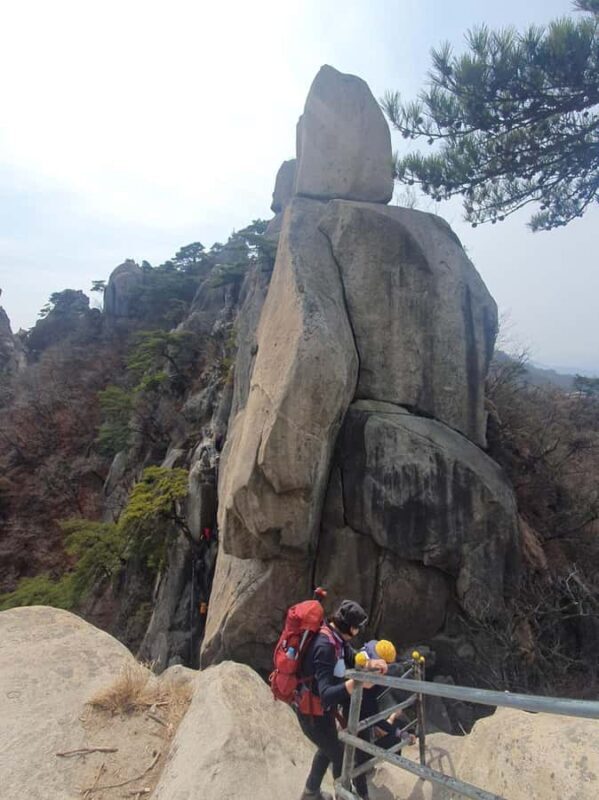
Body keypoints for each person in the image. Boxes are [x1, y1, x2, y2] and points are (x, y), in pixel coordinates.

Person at [296, 600, 388, 800]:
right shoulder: (325, 647)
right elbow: (327, 694)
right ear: (352, 628)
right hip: (311, 714)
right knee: (340, 756)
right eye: (358, 628)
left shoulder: (336, 638)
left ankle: (310, 793)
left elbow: (351, 656)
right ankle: (343, 795)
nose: (358, 632)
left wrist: (372, 663)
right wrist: (357, 683)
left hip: (320, 712)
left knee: (328, 747)